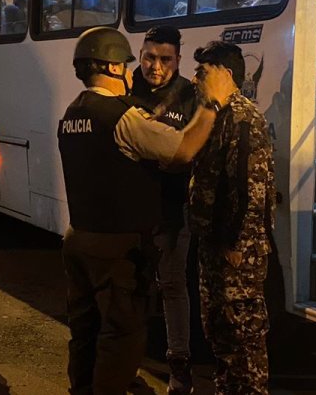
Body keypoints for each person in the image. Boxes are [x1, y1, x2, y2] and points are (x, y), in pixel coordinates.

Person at [57, 27, 234, 395]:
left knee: (85, 330)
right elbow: (183, 150)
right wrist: (213, 104)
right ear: (110, 67)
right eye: (127, 64)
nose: (132, 71)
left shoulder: (74, 111)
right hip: (117, 245)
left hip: (79, 237)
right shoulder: (120, 115)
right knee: (122, 335)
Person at [189, 41, 276, 395]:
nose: (195, 79)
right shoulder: (217, 114)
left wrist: (234, 244)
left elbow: (249, 189)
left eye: (203, 72)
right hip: (215, 245)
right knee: (220, 331)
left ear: (225, 74)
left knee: (244, 338)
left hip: (237, 252)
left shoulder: (244, 118)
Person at [129, 25, 200, 395]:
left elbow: (193, 152)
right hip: (133, 208)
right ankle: (128, 362)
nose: (155, 67)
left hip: (173, 209)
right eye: (149, 58)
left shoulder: (189, 95)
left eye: (165, 59)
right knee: (133, 286)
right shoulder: (126, 87)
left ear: (178, 60)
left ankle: (179, 368)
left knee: (172, 286)